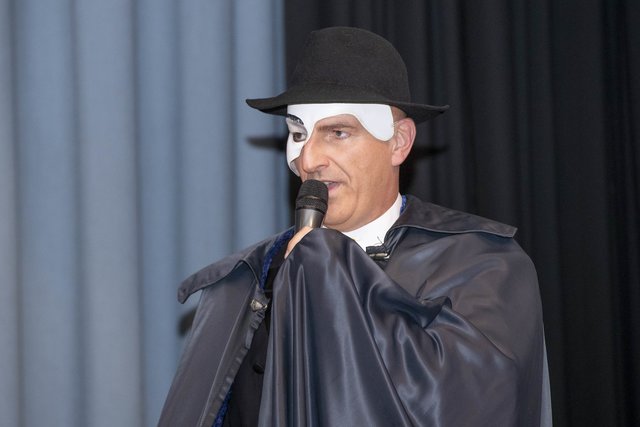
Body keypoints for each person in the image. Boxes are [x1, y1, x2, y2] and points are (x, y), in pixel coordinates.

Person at [159, 26, 551, 427]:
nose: (308, 159)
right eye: (297, 133)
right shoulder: (250, 278)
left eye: (338, 133)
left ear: (399, 142)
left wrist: (329, 270)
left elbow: (466, 402)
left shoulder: (480, 265)